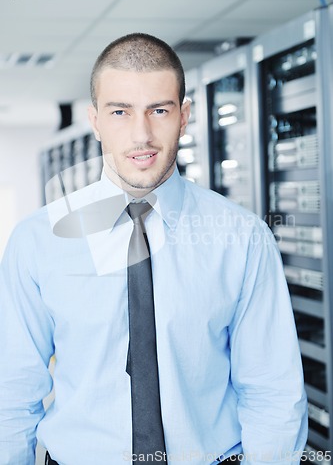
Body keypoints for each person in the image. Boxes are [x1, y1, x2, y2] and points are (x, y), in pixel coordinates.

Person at [0, 33, 307, 465]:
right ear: (96, 120)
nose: (141, 134)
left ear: (183, 117)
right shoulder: (37, 241)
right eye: (120, 112)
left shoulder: (243, 238)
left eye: (158, 110)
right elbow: (11, 394)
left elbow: (273, 393)